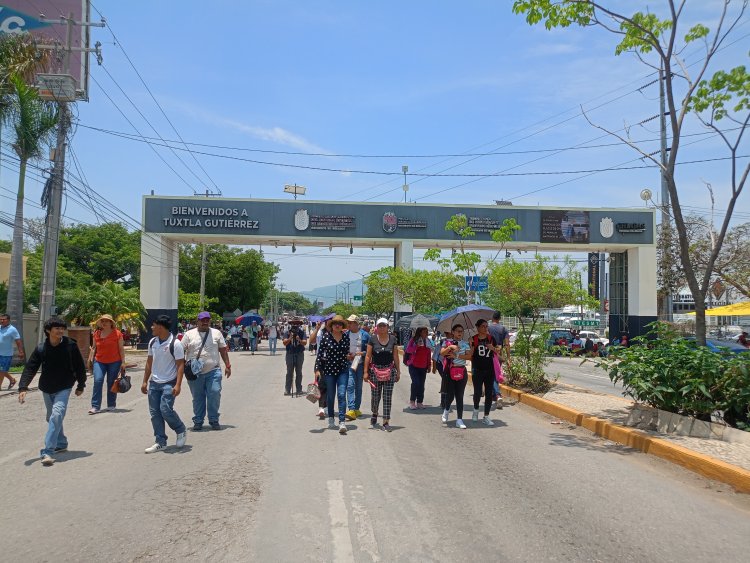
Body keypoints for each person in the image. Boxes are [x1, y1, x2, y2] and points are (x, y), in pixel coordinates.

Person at [17, 317, 86, 466]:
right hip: (47, 388)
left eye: (62, 328)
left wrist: (81, 385)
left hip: (65, 386)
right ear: (49, 330)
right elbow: (31, 368)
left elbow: (80, 366)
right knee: (52, 417)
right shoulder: (41, 348)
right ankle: (61, 442)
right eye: (57, 328)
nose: (61, 331)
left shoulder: (70, 346)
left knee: (56, 415)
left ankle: (48, 451)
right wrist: (23, 387)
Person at [141, 315, 187, 453]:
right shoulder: (152, 342)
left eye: (153, 325)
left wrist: (178, 385)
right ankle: (160, 441)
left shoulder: (175, 344)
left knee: (165, 410)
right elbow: (149, 362)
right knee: (155, 413)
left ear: (160, 327)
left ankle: (180, 429)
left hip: (169, 382)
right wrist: (144, 381)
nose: (151, 328)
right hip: (154, 383)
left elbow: (180, 365)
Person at [182, 311, 231, 431]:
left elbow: (223, 350)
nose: (205, 322)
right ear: (197, 321)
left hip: (213, 370)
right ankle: (198, 421)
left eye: (207, 320)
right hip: (195, 374)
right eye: (202, 320)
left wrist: (228, 365)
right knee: (198, 397)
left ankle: (214, 419)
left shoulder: (216, 333)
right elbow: (180, 351)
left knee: (214, 393)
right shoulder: (189, 335)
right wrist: (182, 366)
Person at [314, 315, 351, 434]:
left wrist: (349, 356)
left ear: (342, 326)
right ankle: (331, 418)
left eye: (340, 324)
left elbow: (346, 353)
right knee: (330, 395)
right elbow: (320, 354)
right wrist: (317, 369)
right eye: (335, 323)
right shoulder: (326, 337)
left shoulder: (346, 337)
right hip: (329, 370)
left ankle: (342, 422)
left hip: (343, 370)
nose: (337, 325)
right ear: (332, 325)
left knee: (341, 394)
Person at [363, 318, 400, 432]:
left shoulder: (393, 339)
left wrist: (398, 371)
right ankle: (375, 412)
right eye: (380, 326)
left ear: (388, 327)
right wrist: (365, 372)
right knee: (375, 396)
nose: (382, 328)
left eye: (384, 326)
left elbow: (395, 356)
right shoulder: (372, 339)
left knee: (387, 397)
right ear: (377, 327)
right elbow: (368, 356)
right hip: (375, 371)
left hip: (389, 370)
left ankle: (386, 421)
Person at [86, 314, 126, 415]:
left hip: (114, 361)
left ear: (111, 323)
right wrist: (89, 360)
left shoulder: (117, 334)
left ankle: (111, 404)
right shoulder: (96, 333)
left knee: (111, 382)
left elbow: (121, 349)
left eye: (106, 321)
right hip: (99, 361)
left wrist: (123, 362)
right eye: (102, 321)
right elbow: (94, 347)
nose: (104, 323)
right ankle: (95, 406)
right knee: (98, 380)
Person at [441, 324, 472, 428]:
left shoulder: (465, 343)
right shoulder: (447, 342)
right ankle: (446, 410)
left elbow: (470, 356)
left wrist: (457, 355)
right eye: (458, 331)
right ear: (453, 332)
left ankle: (459, 419)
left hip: (461, 370)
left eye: (461, 331)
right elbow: (442, 353)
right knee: (450, 395)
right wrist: (450, 347)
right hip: (450, 371)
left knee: (460, 396)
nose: (460, 333)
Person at [470, 319, 499, 426]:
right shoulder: (473, 339)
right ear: (477, 327)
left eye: (487, 326)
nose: (486, 328)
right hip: (477, 369)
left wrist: (493, 348)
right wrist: (471, 346)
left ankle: (486, 416)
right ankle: (476, 409)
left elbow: (498, 350)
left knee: (488, 393)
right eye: (483, 326)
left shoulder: (491, 338)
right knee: (477, 392)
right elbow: (470, 355)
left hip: (489, 370)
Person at [345, 314, 370, 421]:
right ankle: (350, 409)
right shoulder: (345, 334)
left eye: (351, 323)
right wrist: (347, 355)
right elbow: (342, 349)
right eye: (348, 323)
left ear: (356, 324)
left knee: (358, 387)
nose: (349, 324)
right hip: (349, 364)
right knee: (350, 385)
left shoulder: (365, 335)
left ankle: (356, 408)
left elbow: (369, 351)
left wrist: (361, 353)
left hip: (360, 365)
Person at [404, 326, 433, 409]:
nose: (427, 334)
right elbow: (408, 350)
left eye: (427, 332)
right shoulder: (413, 340)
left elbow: (428, 354)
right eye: (425, 332)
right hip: (413, 365)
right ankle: (412, 401)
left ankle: (420, 402)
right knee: (415, 383)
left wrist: (429, 365)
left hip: (423, 366)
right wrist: (416, 346)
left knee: (421, 385)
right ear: (420, 332)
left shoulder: (427, 341)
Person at [488, 311, 511, 409]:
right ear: (499, 318)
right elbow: (507, 344)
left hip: (488, 354)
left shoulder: (487, 328)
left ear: (492, 318)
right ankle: (495, 396)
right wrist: (509, 358)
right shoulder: (504, 329)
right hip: (499, 354)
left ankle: (497, 395)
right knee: (496, 374)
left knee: (492, 376)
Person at [282, 319, 308, 395]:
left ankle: (299, 389)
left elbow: (305, 343)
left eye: (297, 324)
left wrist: (299, 339)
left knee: (299, 372)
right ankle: (287, 390)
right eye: (293, 324)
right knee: (289, 372)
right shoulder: (287, 332)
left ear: (299, 325)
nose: (295, 325)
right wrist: (290, 338)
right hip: (290, 353)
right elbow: (284, 343)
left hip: (299, 353)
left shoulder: (302, 332)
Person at [0, 313, 24, 390]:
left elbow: (18, 341)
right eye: (1, 319)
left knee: (2, 370)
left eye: (4, 319)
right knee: (2, 370)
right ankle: (12, 380)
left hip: (6, 354)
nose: (2, 321)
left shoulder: (12, 329)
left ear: (8, 320)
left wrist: (21, 351)